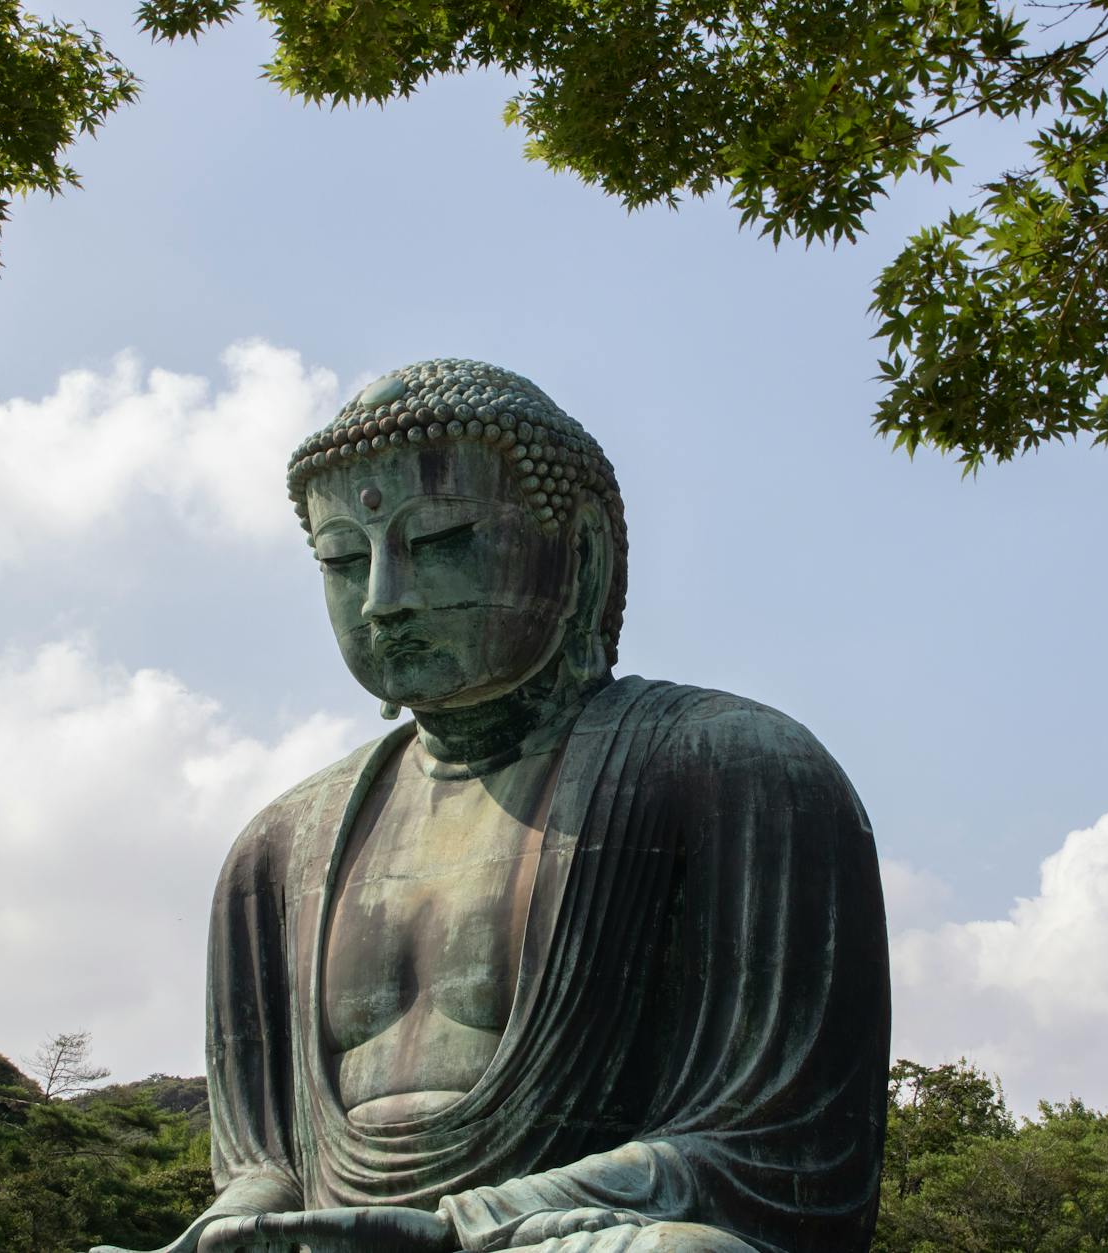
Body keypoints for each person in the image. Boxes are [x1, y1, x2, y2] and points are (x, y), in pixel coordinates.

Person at [98, 360, 888, 1253]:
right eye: (344, 558)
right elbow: (264, 1166)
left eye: (437, 541)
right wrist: (235, 1229)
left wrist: (458, 1227)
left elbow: (782, 1150)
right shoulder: (278, 849)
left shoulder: (734, 769)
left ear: (580, 550)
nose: (382, 599)